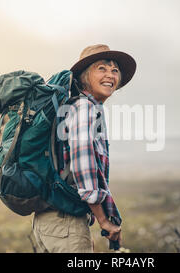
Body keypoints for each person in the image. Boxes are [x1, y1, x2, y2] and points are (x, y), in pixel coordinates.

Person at [31, 44, 137, 253]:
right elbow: (83, 165)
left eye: (115, 70)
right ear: (83, 77)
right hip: (65, 222)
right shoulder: (85, 108)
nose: (111, 75)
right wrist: (103, 220)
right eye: (102, 68)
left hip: (50, 222)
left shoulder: (74, 107)